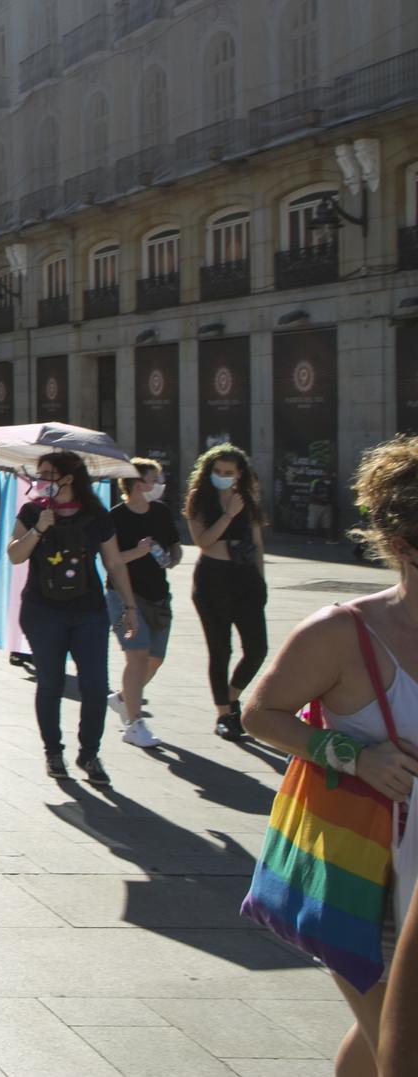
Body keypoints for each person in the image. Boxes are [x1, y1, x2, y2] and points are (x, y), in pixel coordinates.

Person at [245, 438, 418, 1077]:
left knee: (382, 1044)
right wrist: (355, 756)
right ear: (401, 547)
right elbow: (258, 714)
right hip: (365, 880)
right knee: (403, 1051)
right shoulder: (343, 632)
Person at [6, 451, 142, 783]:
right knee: (50, 684)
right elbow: (14, 555)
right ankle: (53, 752)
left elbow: (114, 563)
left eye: (49, 474)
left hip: (89, 612)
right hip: (42, 611)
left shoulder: (96, 514)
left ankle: (89, 754)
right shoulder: (32, 511)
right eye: (40, 474)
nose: (42, 480)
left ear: (69, 478)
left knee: (95, 687)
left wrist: (129, 606)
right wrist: (38, 529)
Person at [186, 444, 269, 741]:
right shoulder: (200, 499)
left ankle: (232, 697)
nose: (222, 476)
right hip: (212, 580)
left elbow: (257, 543)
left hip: (245, 578)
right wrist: (228, 515)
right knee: (220, 650)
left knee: (257, 648)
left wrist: (261, 581)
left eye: (228, 472)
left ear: (239, 474)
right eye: (217, 471)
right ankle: (224, 715)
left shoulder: (247, 499)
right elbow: (203, 541)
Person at [106, 458, 181, 750]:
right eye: (154, 479)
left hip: (158, 595)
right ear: (138, 484)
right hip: (123, 598)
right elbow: (112, 561)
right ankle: (134, 724)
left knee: (154, 659)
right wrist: (138, 552)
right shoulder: (116, 517)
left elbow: (174, 546)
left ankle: (124, 698)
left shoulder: (160, 512)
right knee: (136, 656)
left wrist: (174, 557)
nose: (158, 485)